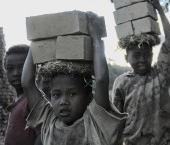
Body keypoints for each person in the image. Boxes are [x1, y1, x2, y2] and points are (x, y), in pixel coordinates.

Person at [21, 12, 128, 145]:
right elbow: (26, 83)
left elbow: (101, 80)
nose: (63, 101)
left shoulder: (95, 122)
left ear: (89, 98)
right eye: (56, 95)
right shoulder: (49, 122)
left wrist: (95, 38)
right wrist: (37, 42)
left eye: (72, 94)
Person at [112, 0, 170, 145]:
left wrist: (160, 9)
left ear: (152, 55)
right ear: (126, 59)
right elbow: (116, 121)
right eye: (136, 55)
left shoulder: (160, 75)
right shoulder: (121, 83)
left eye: (146, 54)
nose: (142, 60)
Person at [4, 44, 37, 145]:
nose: (15, 73)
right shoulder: (18, 100)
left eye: (22, 67)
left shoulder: (33, 99)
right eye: (10, 68)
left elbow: (42, 133)